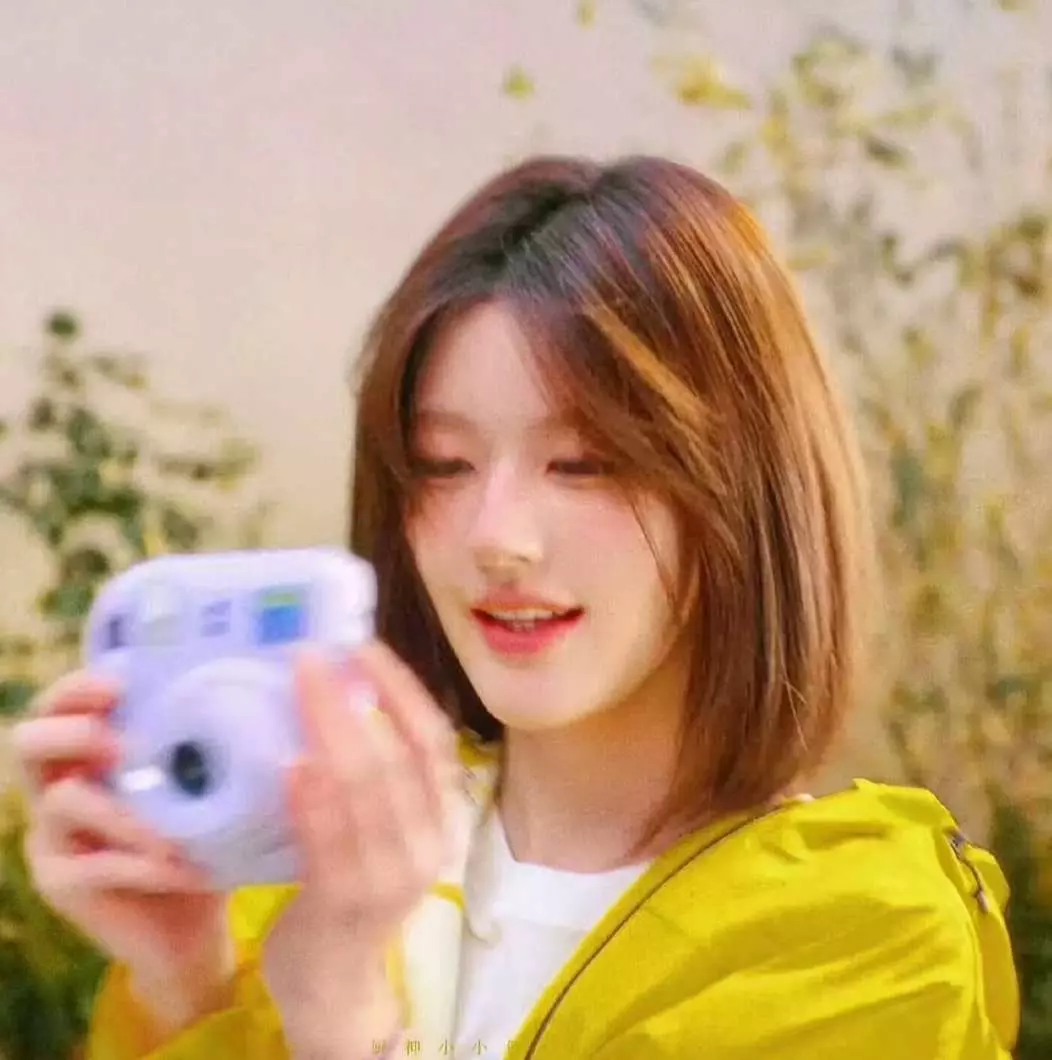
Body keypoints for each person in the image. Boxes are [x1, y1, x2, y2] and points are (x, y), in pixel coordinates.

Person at [12, 154, 1019, 1060]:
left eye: (582, 463)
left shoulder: (862, 932)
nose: (496, 536)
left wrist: (342, 1019)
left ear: (747, 489)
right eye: (443, 464)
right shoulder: (313, 864)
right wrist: (186, 981)